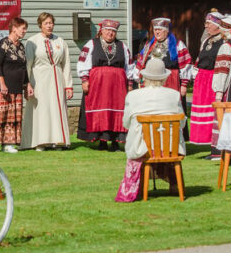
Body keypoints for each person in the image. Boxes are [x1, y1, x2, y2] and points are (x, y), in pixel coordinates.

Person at [114, 57, 186, 202]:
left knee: (138, 138)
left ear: (145, 77)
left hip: (143, 147)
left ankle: (135, 188)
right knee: (168, 139)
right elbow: (182, 123)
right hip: (169, 147)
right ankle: (175, 185)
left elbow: (126, 123)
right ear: (164, 77)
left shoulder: (133, 95)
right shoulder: (174, 95)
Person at [77, 19, 136, 151]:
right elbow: (83, 62)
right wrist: (84, 79)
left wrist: (130, 84)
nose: (110, 33)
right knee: (101, 110)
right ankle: (102, 141)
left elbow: (130, 66)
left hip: (118, 85)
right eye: (108, 30)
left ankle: (115, 140)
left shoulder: (122, 46)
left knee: (117, 111)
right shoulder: (92, 44)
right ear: (101, 31)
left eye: (113, 31)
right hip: (98, 85)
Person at [23, 12, 73, 151]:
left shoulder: (60, 41)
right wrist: (27, 84)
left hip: (57, 78)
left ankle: (58, 141)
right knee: (42, 110)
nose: (49, 26)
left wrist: (68, 85)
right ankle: (40, 141)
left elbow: (66, 64)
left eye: (51, 23)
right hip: (39, 79)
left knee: (56, 109)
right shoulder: (33, 42)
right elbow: (27, 64)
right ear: (40, 25)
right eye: (46, 23)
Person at [189, 12, 231, 147]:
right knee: (201, 111)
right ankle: (202, 139)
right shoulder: (206, 41)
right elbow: (200, 58)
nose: (206, 26)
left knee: (212, 111)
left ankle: (212, 141)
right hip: (201, 80)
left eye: (208, 23)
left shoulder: (224, 41)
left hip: (212, 79)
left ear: (216, 25)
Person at [0, 17, 28, 154]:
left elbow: (24, 68)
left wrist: (26, 85)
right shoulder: (3, 44)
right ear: (14, 28)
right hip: (3, 88)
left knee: (12, 117)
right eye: (22, 28)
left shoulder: (21, 46)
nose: (24, 31)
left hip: (16, 88)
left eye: (25, 29)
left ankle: (8, 143)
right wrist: (2, 83)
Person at [135, 17, 192, 95]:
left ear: (167, 31)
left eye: (160, 30)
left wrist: (184, 85)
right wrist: (138, 77)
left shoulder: (177, 45)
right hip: (151, 83)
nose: (157, 32)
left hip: (170, 82)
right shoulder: (148, 46)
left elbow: (186, 64)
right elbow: (140, 63)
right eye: (155, 30)